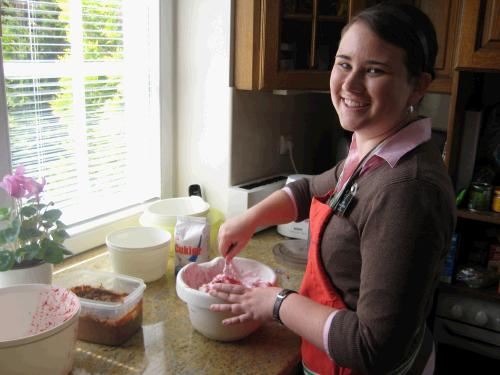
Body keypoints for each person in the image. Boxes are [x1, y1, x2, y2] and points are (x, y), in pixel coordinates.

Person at [210, 3, 456, 374]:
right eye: (344, 64)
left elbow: (374, 346)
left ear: (418, 86)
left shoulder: (408, 190)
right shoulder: (373, 147)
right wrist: (249, 219)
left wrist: (275, 302)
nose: (351, 84)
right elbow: (312, 189)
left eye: (375, 70)